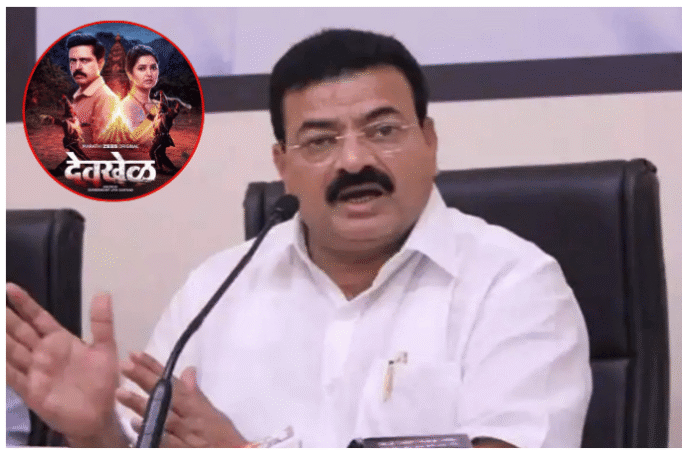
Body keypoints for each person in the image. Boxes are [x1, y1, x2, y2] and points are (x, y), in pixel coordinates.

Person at [6, 29, 592, 448]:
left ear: (429, 141)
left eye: (383, 130)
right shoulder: (215, 290)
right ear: (283, 164)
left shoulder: (514, 285)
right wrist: (99, 434)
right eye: (320, 141)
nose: (355, 161)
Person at [64, 33, 119, 144]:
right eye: (73, 61)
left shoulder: (106, 98)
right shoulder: (79, 94)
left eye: (84, 61)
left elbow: (105, 148)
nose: (77, 67)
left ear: (100, 63)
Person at [120, 44, 160, 142]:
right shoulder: (122, 109)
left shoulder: (159, 106)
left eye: (153, 67)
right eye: (142, 68)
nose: (149, 74)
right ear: (130, 73)